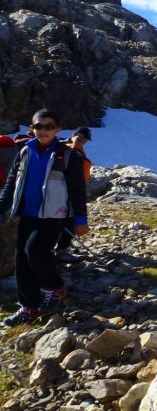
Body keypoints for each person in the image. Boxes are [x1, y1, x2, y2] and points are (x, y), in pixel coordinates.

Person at [0, 109, 87, 327]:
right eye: (39, 126)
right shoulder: (24, 151)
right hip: (27, 213)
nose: (43, 130)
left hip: (53, 216)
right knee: (21, 258)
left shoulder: (67, 155)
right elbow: (11, 182)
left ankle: (55, 287)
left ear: (57, 129)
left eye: (49, 126)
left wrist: (80, 220)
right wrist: (2, 207)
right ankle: (29, 306)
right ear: (32, 128)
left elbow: (77, 190)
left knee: (35, 251)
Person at [55, 126, 93, 264]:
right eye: (82, 138)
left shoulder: (65, 147)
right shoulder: (71, 151)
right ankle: (62, 251)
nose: (83, 141)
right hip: (68, 191)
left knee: (63, 220)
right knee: (69, 219)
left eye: (85, 140)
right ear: (75, 134)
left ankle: (61, 248)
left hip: (63, 191)